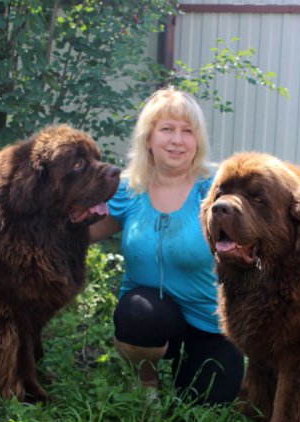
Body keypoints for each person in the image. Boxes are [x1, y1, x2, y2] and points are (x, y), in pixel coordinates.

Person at [90, 87, 244, 405]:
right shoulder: (129, 190)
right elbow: (81, 233)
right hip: (150, 316)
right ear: (148, 138)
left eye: (188, 131)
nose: (177, 140)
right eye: (167, 129)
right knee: (137, 314)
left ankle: (190, 376)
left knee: (208, 406)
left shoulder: (217, 190)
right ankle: (148, 382)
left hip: (211, 323)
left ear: (197, 140)